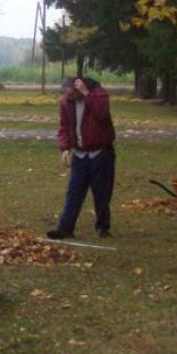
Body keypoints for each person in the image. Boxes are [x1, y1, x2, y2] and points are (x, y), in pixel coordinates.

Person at [47, 77, 116, 240]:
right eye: (65, 94)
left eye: (70, 94)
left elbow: (102, 115)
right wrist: (64, 148)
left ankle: (103, 227)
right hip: (79, 155)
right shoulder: (66, 102)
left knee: (101, 193)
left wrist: (87, 94)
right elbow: (64, 127)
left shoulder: (99, 95)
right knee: (74, 192)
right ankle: (65, 229)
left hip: (101, 153)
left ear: (79, 89)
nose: (68, 98)